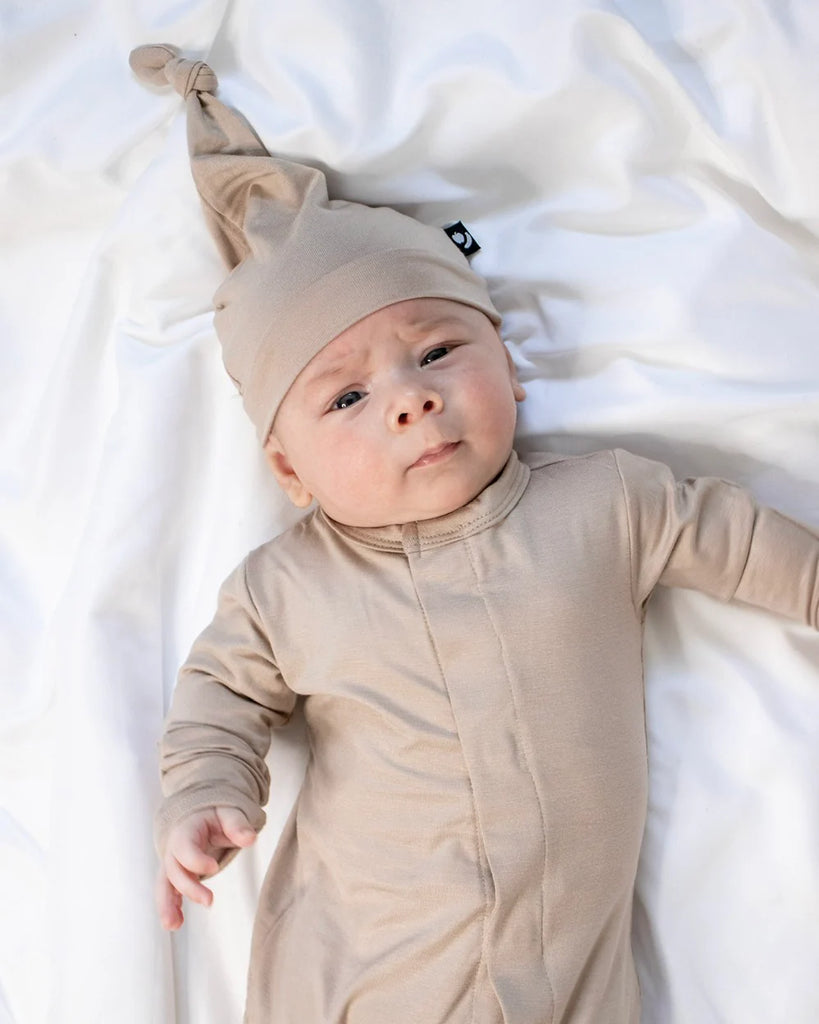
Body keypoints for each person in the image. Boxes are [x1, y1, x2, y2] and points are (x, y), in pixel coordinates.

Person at [130, 45, 819, 1024]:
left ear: (511, 368)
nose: (409, 398)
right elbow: (220, 697)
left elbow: (742, 542)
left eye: (438, 350)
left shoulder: (606, 505)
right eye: (347, 397)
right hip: (355, 983)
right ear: (289, 472)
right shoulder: (286, 588)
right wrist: (204, 794)